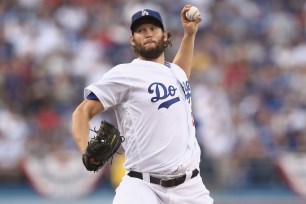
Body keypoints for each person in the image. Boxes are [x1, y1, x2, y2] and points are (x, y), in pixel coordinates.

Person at [71, 4, 214, 204]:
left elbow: (180, 74)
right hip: (142, 187)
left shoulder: (176, 72)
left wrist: (189, 35)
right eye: (141, 30)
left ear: (164, 35)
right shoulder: (125, 74)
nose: (147, 34)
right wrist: (85, 150)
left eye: (153, 29)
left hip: (191, 187)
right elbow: (82, 111)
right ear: (132, 40)